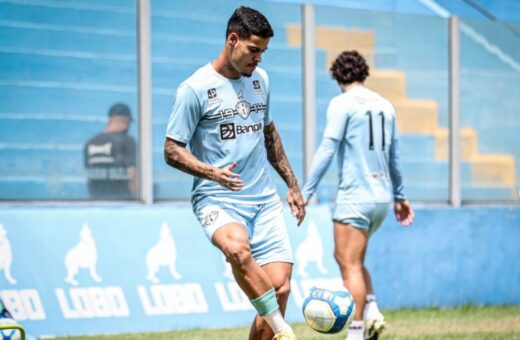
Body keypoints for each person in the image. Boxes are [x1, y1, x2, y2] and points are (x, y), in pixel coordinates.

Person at [164, 6, 305, 340]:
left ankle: (277, 325)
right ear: (232, 40)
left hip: (264, 198)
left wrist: (293, 184)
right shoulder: (194, 89)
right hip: (218, 197)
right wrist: (211, 172)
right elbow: (171, 150)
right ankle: (285, 330)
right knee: (237, 250)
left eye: (264, 52)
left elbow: (267, 132)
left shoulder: (260, 80)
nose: (259, 60)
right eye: (254, 50)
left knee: (279, 288)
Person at [301, 51, 415, 340]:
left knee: (347, 262)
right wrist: (400, 196)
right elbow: (395, 157)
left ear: (338, 77)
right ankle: (373, 309)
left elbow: (327, 149)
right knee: (356, 261)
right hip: (381, 199)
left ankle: (356, 332)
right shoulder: (386, 105)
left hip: (355, 196)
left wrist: (305, 192)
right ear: (363, 74)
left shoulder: (342, 103)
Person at [84, 103, 137, 200]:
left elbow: (89, 179)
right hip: (123, 203)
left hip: (97, 203)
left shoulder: (90, 143)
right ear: (126, 121)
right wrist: (136, 199)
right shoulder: (127, 141)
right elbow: (132, 174)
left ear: (109, 120)